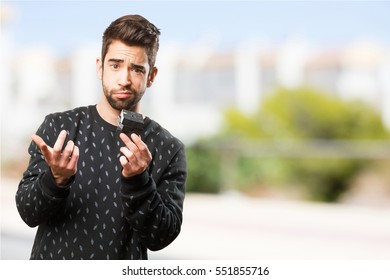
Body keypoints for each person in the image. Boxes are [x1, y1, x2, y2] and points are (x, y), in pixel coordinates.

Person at [15, 15, 187, 260]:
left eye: (137, 69)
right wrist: (55, 179)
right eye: (115, 65)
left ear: (151, 76)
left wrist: (139, 181)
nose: (124, 79)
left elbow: (161, 237)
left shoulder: (168, 148)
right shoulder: (60, 127)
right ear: (100, 67)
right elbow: (27, 212)